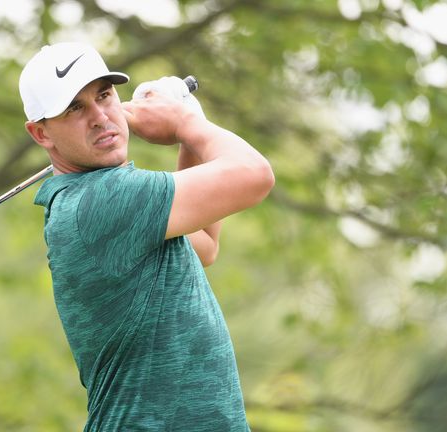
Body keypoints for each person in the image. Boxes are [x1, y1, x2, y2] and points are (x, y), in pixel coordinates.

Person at [19, 41, 274, 431]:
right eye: (75, 108)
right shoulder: (103, 200)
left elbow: (204, 243)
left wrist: (187, 122)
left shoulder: (104, 203)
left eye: (104, 95)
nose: (101, 117)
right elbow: (255, 176)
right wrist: (184, 123)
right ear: (41, 134)